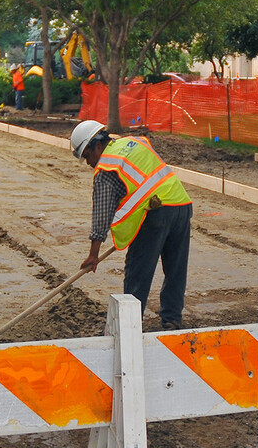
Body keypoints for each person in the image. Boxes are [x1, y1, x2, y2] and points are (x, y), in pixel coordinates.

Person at [72, 120, 193, 330]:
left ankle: (129, 327)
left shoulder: (107, 168)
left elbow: (101, 214)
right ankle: (172, 320)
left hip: (154, 215)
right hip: (181, 203)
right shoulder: (134, 142)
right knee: (176, 270)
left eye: (88, 156)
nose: (89, 163)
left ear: (97, 145)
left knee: (138, 272)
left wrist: (93, 254)